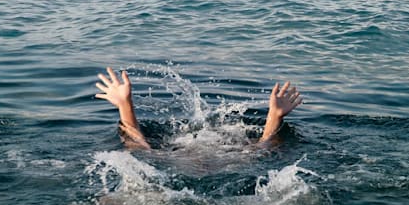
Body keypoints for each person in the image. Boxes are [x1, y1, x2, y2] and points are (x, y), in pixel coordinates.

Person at [93, 67, 303, 149]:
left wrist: (125, 105)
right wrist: (274, 116)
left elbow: (138, 144)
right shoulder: (239, 156)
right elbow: (265, 145)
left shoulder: (169, 156)